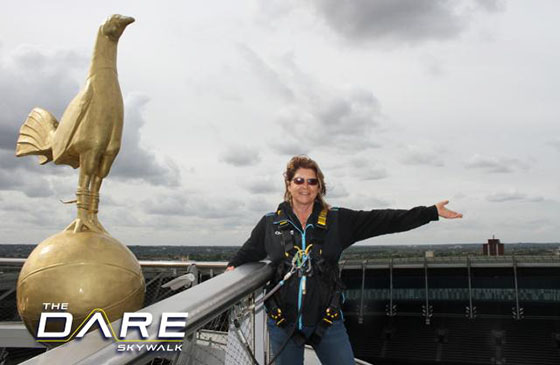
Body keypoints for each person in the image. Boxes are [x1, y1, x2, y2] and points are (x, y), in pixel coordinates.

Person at [227, 155, 462, 365]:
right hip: (283, 324)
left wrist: (430, 212)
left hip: (327, 323)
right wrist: (231, 270)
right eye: (299, 180)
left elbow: (383, 220)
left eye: (312, 181)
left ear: (320, 187)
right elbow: (249, 251)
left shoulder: (337, 221)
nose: (305, 186)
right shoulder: (271, 223)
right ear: (288, 184)